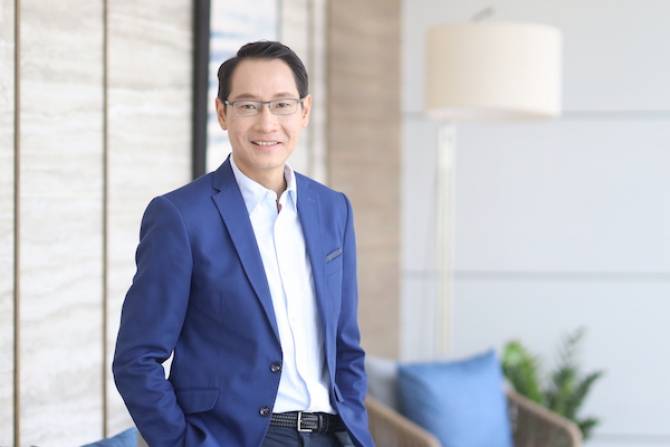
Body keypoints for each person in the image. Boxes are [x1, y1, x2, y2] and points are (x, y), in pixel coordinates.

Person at [112, 40, 374, 447]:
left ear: (305, 111)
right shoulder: (181, 217)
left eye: (282, 105)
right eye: (249, 105)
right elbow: (136, 359)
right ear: (222, 112)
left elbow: (346, 346)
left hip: (334, 435)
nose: (267, 124)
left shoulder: (333, 209)